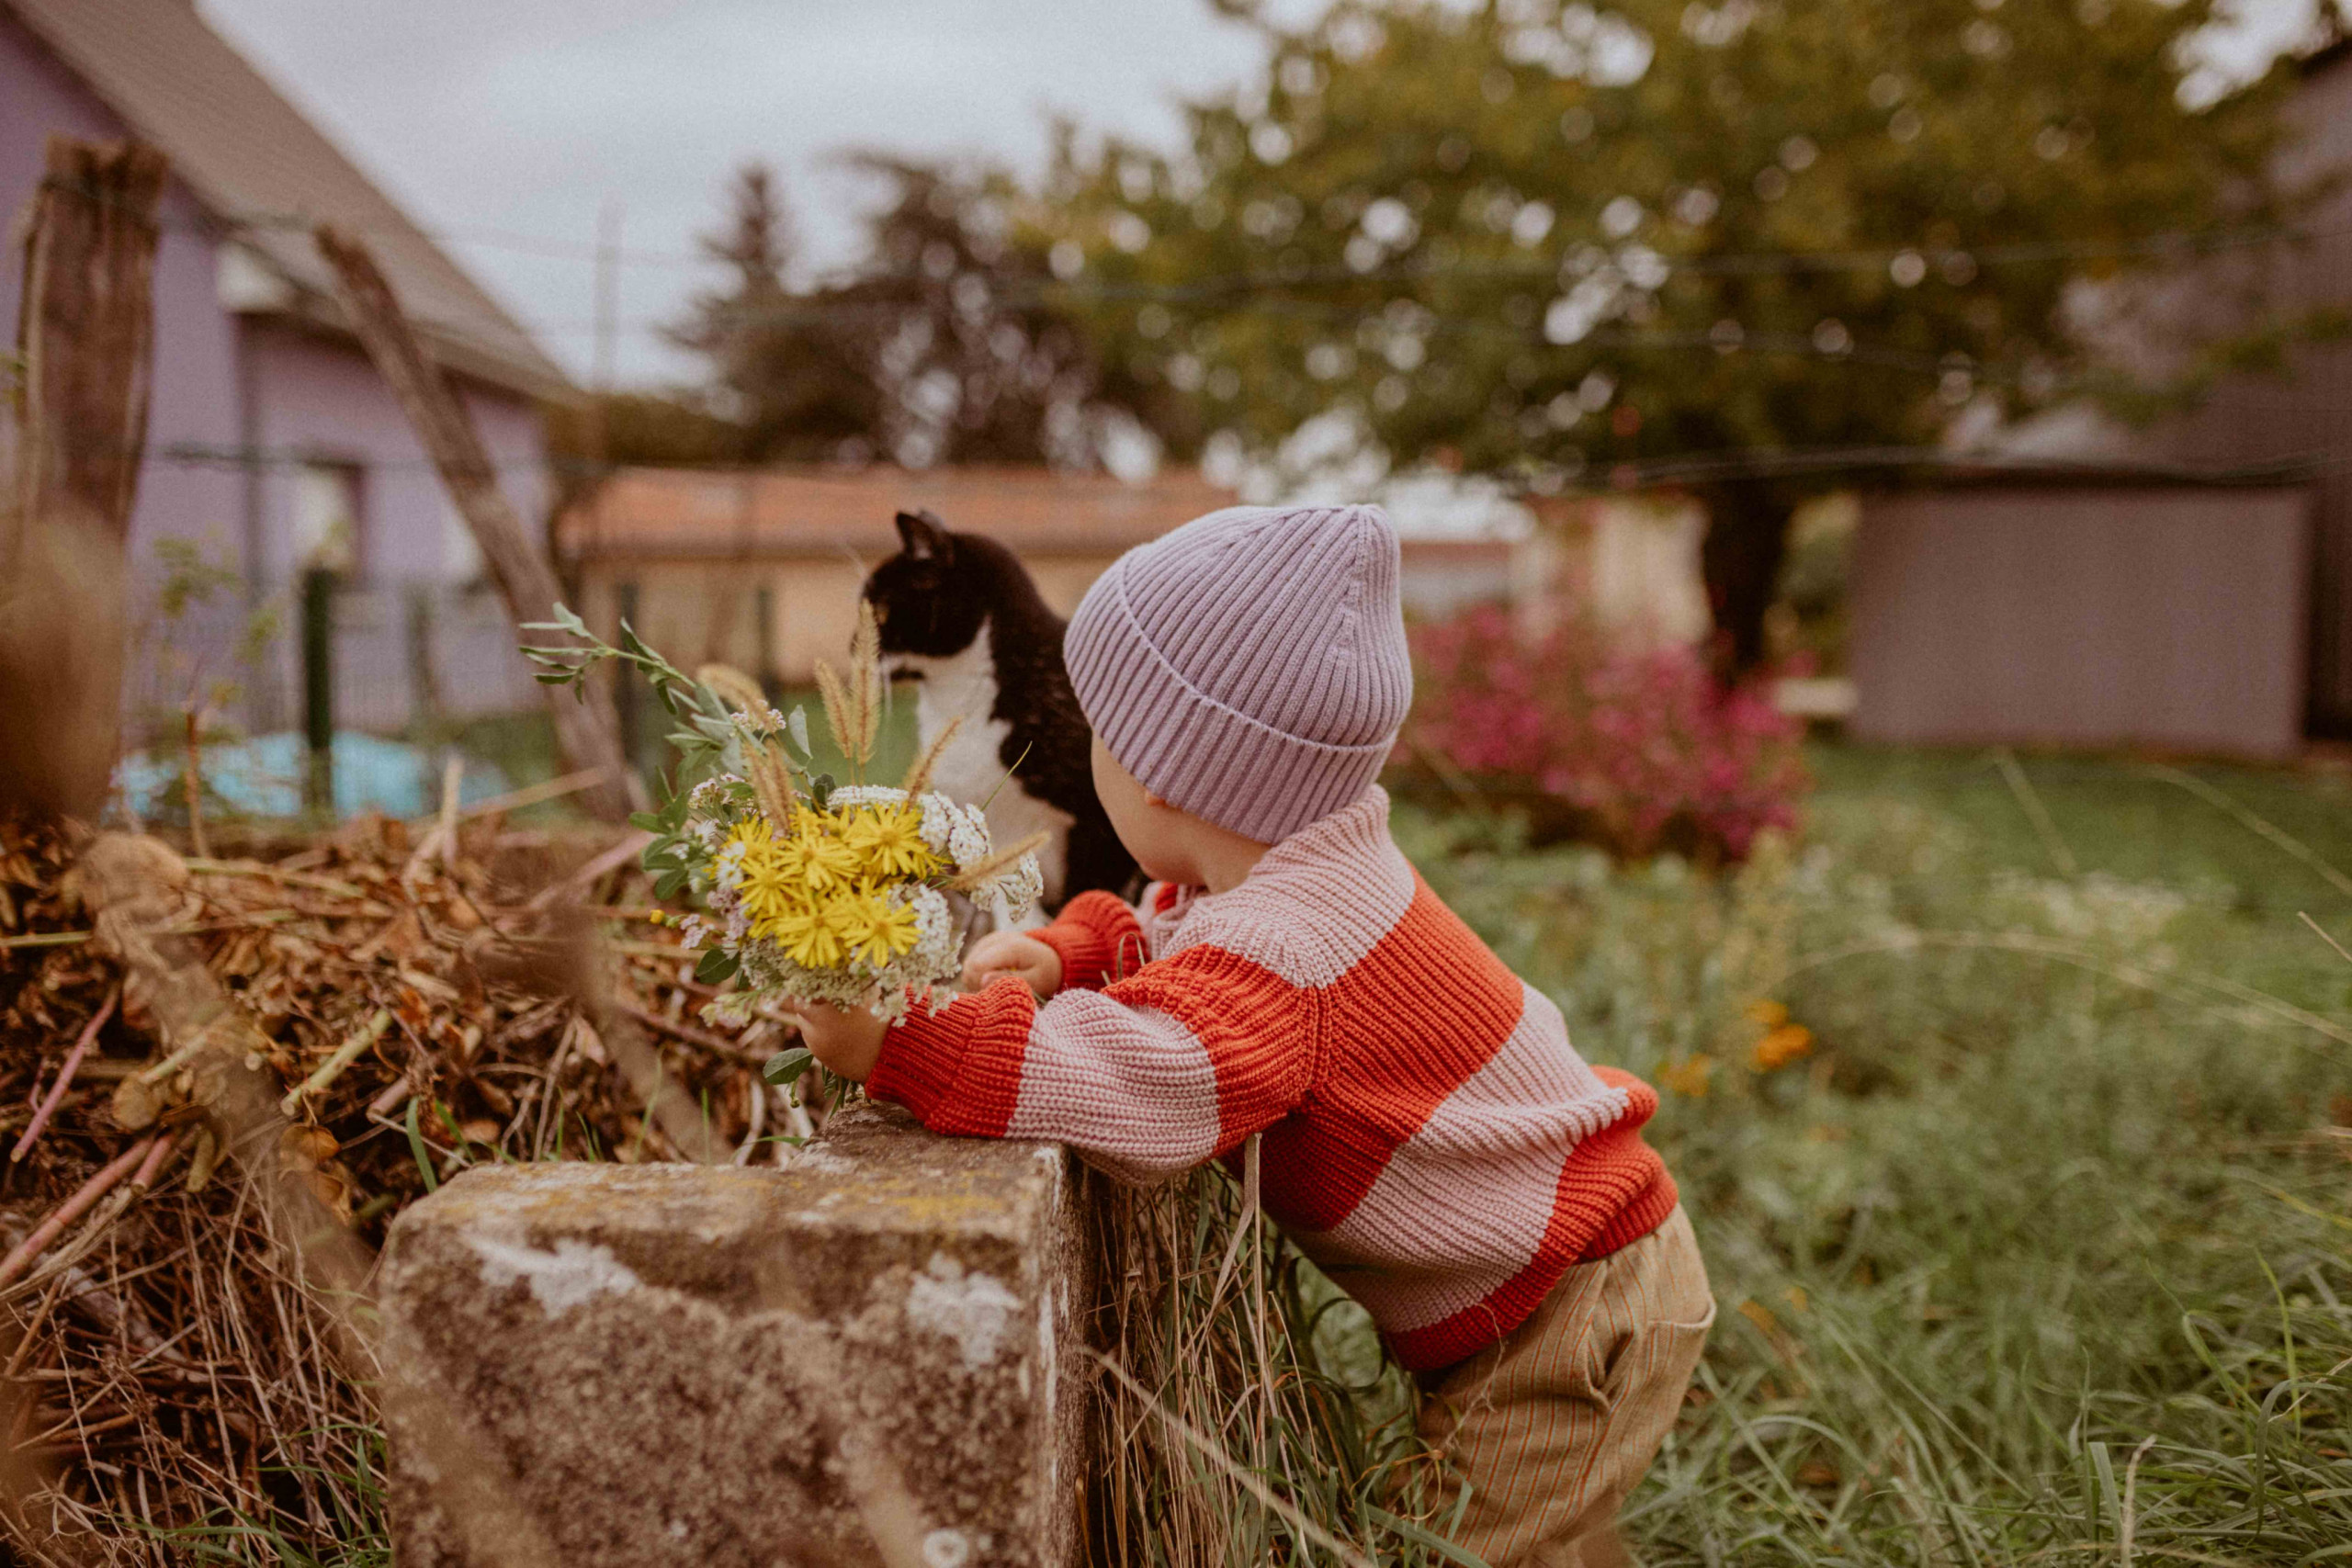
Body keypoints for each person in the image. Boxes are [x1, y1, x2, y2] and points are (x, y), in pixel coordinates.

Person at [790, 502, 1713, 1567]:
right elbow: (1192, 940)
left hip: (1568, 1314)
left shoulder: (1288, 950)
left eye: (1102, 741)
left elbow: (1146, 1077)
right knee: (1520, 1534)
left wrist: (905, 1040)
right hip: (1568, 1270)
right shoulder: (1309, 870)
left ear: (1166, 775)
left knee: (1451, 1548)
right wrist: (1073, 950)